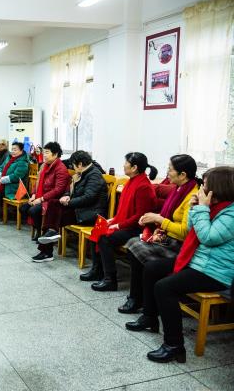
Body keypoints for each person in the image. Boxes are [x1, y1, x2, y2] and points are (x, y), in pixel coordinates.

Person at [128, 167, 234, 363]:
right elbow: (192, 230)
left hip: (215, 271)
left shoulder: (231, 214)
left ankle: (174, 345)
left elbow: (208, 237)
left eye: (205, 186)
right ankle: (150, 317)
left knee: (164, 287)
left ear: (218, 189)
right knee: (151, 268)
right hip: (199, 261)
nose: (201, 189)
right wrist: (196, 208)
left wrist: (200, 208)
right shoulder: (214, 207)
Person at [118, 155, 199, 314]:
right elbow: (168, 217)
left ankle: (140, 299)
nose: (167, 172)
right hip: (169, 238)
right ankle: (137, 297)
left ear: (183, 174)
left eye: (170, 169)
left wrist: (159, 220)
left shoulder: (192, 196)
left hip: (180, 246)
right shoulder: (178, 189)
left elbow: (185, 231)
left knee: (140, 252)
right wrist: (158, 230)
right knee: (134, 245)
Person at [87, 152, 158, 291]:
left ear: (134, 168)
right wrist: (114, 219)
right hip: (128, 224)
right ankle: (97, 270)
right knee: (98, 229)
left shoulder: (143, 186)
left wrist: (118, 225)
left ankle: (110, 279)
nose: (123, 165)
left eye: (126, 163)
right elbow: (125, 209)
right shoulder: (132, 181)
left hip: (137, 228)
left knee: (105, 238)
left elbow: (140, 216)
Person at [36, 150, 108, 258]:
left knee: (53, 218)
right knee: (53, 204)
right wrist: (67, 195)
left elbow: (88, 198)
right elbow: (72, 191)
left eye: (73, 165)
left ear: (80, 164)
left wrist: (69, 202)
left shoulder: (94, 175)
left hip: (90, 214)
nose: (72, 167)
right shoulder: (83, 173)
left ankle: (46, 251)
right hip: (80, 209)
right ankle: (50, 237)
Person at [19, 142, 70, 260]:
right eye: (44, 152)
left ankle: (43, 235)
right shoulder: (44, 166)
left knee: (33, 210)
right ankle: (39, 230)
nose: (44, 155)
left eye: (47, 152)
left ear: (55, 154)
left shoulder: (60, 168)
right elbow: (37, 183)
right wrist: (33, 195)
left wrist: (40, 199)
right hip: (41, 196)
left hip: (52, 200)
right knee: (23, 208)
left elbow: (58, 190)